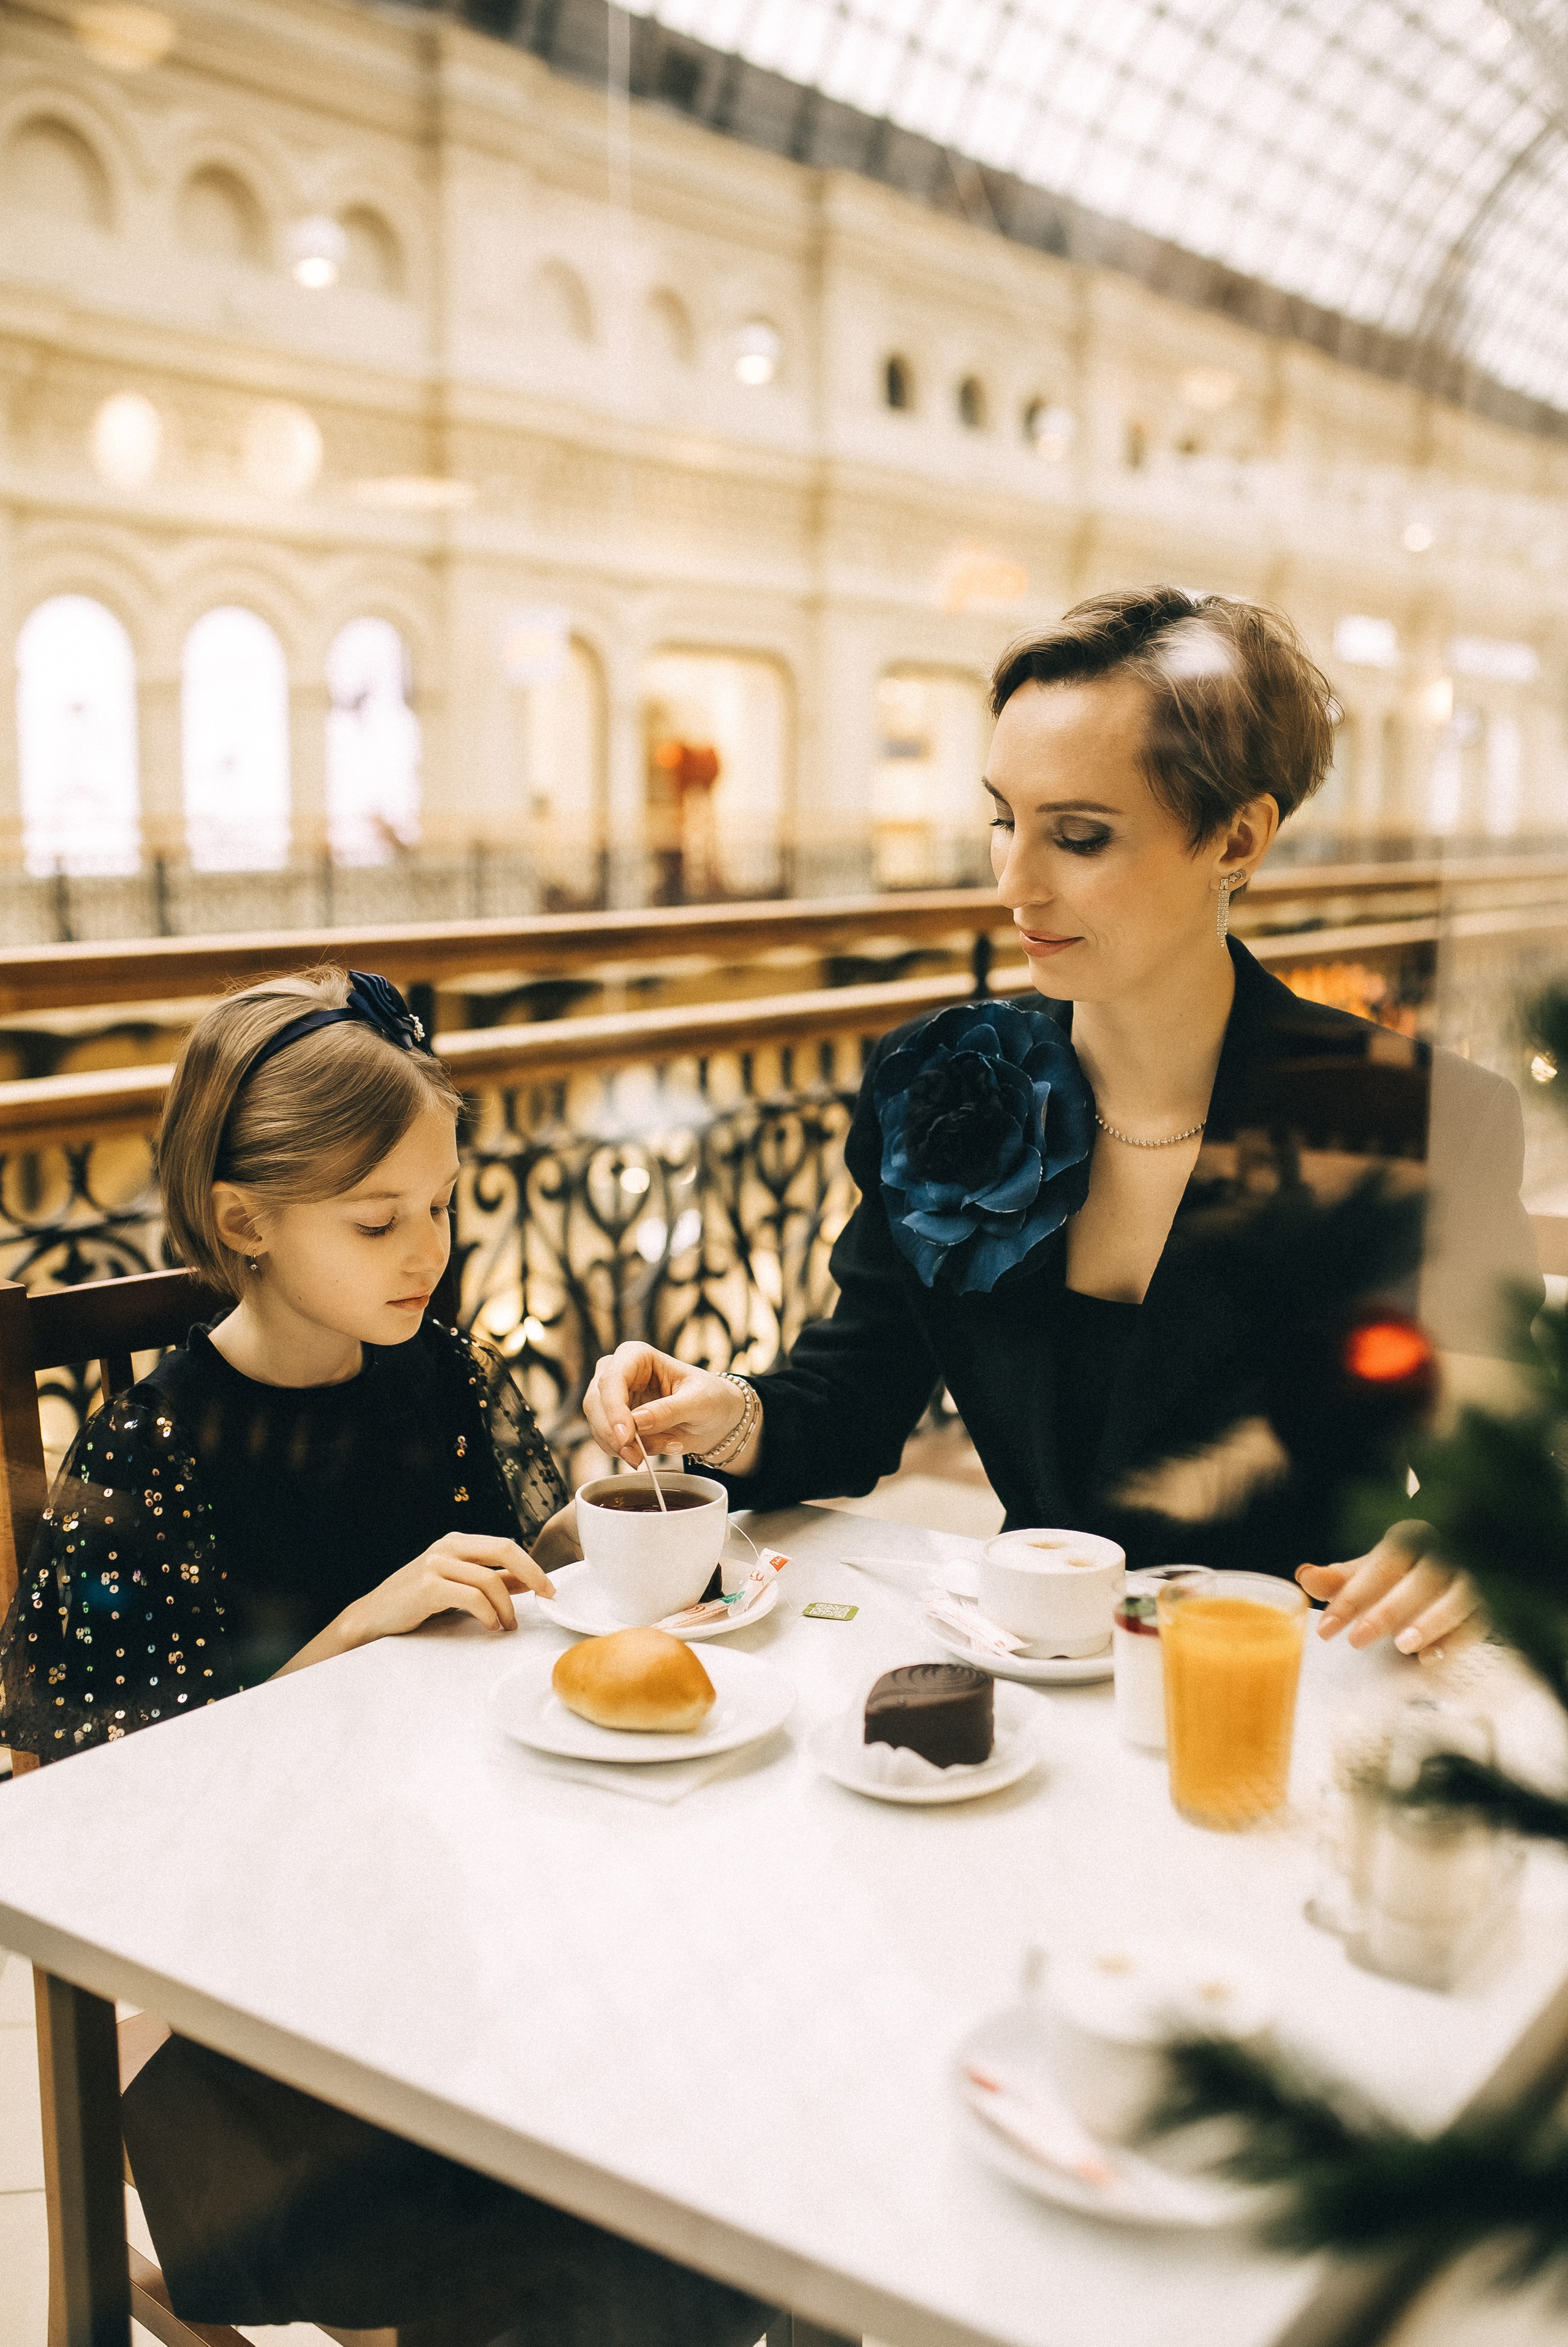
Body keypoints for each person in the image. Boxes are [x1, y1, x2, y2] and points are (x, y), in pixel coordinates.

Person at [0, 966, 768, 2347]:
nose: (428, 1252)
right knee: (598, 2277)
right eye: (378, 1219)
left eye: (442, 1207)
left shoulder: (440, 1374)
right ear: (245, 1222)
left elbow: (522, 1575)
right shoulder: (153, 1453)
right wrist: (353, 1631)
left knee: (725, 2146)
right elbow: (98, 1809)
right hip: (254, 2006)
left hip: (466, 1913)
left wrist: (627, 1529)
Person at [583, 588, 1541, 1666]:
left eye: (1080, 837)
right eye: (1004, 819)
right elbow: (855, 1398)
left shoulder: (1422, 1121)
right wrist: (729, 1414)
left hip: (1292, 1673)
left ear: (1238, 837)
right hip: (1024, 1664)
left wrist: (1457, 1538)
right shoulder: (938, 1084)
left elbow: (1510, 1457)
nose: (1014, 883)